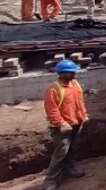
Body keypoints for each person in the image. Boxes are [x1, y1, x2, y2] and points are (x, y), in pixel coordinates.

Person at [43, 60, 88, 190]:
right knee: (61, 152)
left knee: (72, 148)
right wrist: (61, 123)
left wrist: (83, 116)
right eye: (71, 72)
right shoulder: (54, 89)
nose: (74, 73)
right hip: (62, 127)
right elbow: (52, 110)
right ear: (62, 74)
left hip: (76, 122)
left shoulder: (75, 84)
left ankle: (70, 169)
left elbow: (79, 102)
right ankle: (52, 180)